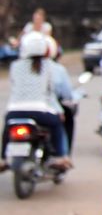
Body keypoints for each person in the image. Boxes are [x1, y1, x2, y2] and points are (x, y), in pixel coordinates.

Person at [2, 32, 69, 168]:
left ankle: (2, 158)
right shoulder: (48, 66)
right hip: (40, 111)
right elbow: (50, 93)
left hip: (14, 111)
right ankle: (59, 156)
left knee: (7, 129)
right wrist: (59, 111)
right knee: (57, 124)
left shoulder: (15, 66)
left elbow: (14, 86)